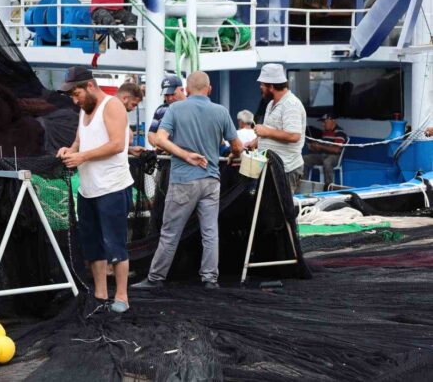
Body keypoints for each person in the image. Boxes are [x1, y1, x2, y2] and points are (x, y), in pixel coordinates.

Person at [133, 72, 242, 290]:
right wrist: (232, 155)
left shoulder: (175, 109)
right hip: (211, 180)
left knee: (170, 232)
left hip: (183, 180)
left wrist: (183, 155)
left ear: (187, 90)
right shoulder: (220, 111)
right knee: (210, 232)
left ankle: (155, 278)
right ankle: (210, 279)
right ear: (209, 89)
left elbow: (160, 139)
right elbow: (237, 146)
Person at [57, 66, 134, 313]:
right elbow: (79, 142)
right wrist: (70, 150)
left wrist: (83, 157)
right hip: (88, 189)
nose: (74, 99)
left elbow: (117, 144)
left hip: (112, 187)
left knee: (116, 244)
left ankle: (122, 295)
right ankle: (101, 293)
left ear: (90, 86)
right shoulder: (84, 110)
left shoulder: (112, 106)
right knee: (92, 246)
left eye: (76, 93)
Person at [251, 63, 306, 194]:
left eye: (262, 85)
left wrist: (266, 131)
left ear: (271, 87)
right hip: (271, 167)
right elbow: (272, 132)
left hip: (286, 169)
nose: (260, 87)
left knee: (282, 211)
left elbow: (294, 136)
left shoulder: (290, 104)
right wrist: (255, 143)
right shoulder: (271, 104)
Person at [303, 114, 348, 186]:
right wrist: (314, 147)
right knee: (304, 159)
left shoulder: (340, 132)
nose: (322, 124)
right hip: (323, 155)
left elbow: (336, 149)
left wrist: (320, 146)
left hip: (335, 157)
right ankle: (303, 183)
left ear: (332, 121)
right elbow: (323, 147)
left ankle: (328, 187)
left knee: (327, 162)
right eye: (322, 122)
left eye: (324, 122)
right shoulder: (325, 132)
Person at [148, 75, 186, 149]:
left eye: (172, 94)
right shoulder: (160, 110)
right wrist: (159, 145)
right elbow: (151, 133)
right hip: (165, 158)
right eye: (166, 95)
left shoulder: (192, 107)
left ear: (182, 90)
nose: (170, 98)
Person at [117, 82, 146, 155]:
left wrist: (130, 150)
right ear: (124, 98)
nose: (133, 109)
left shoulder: (121, 113)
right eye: (133, 104)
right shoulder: (109, 111)